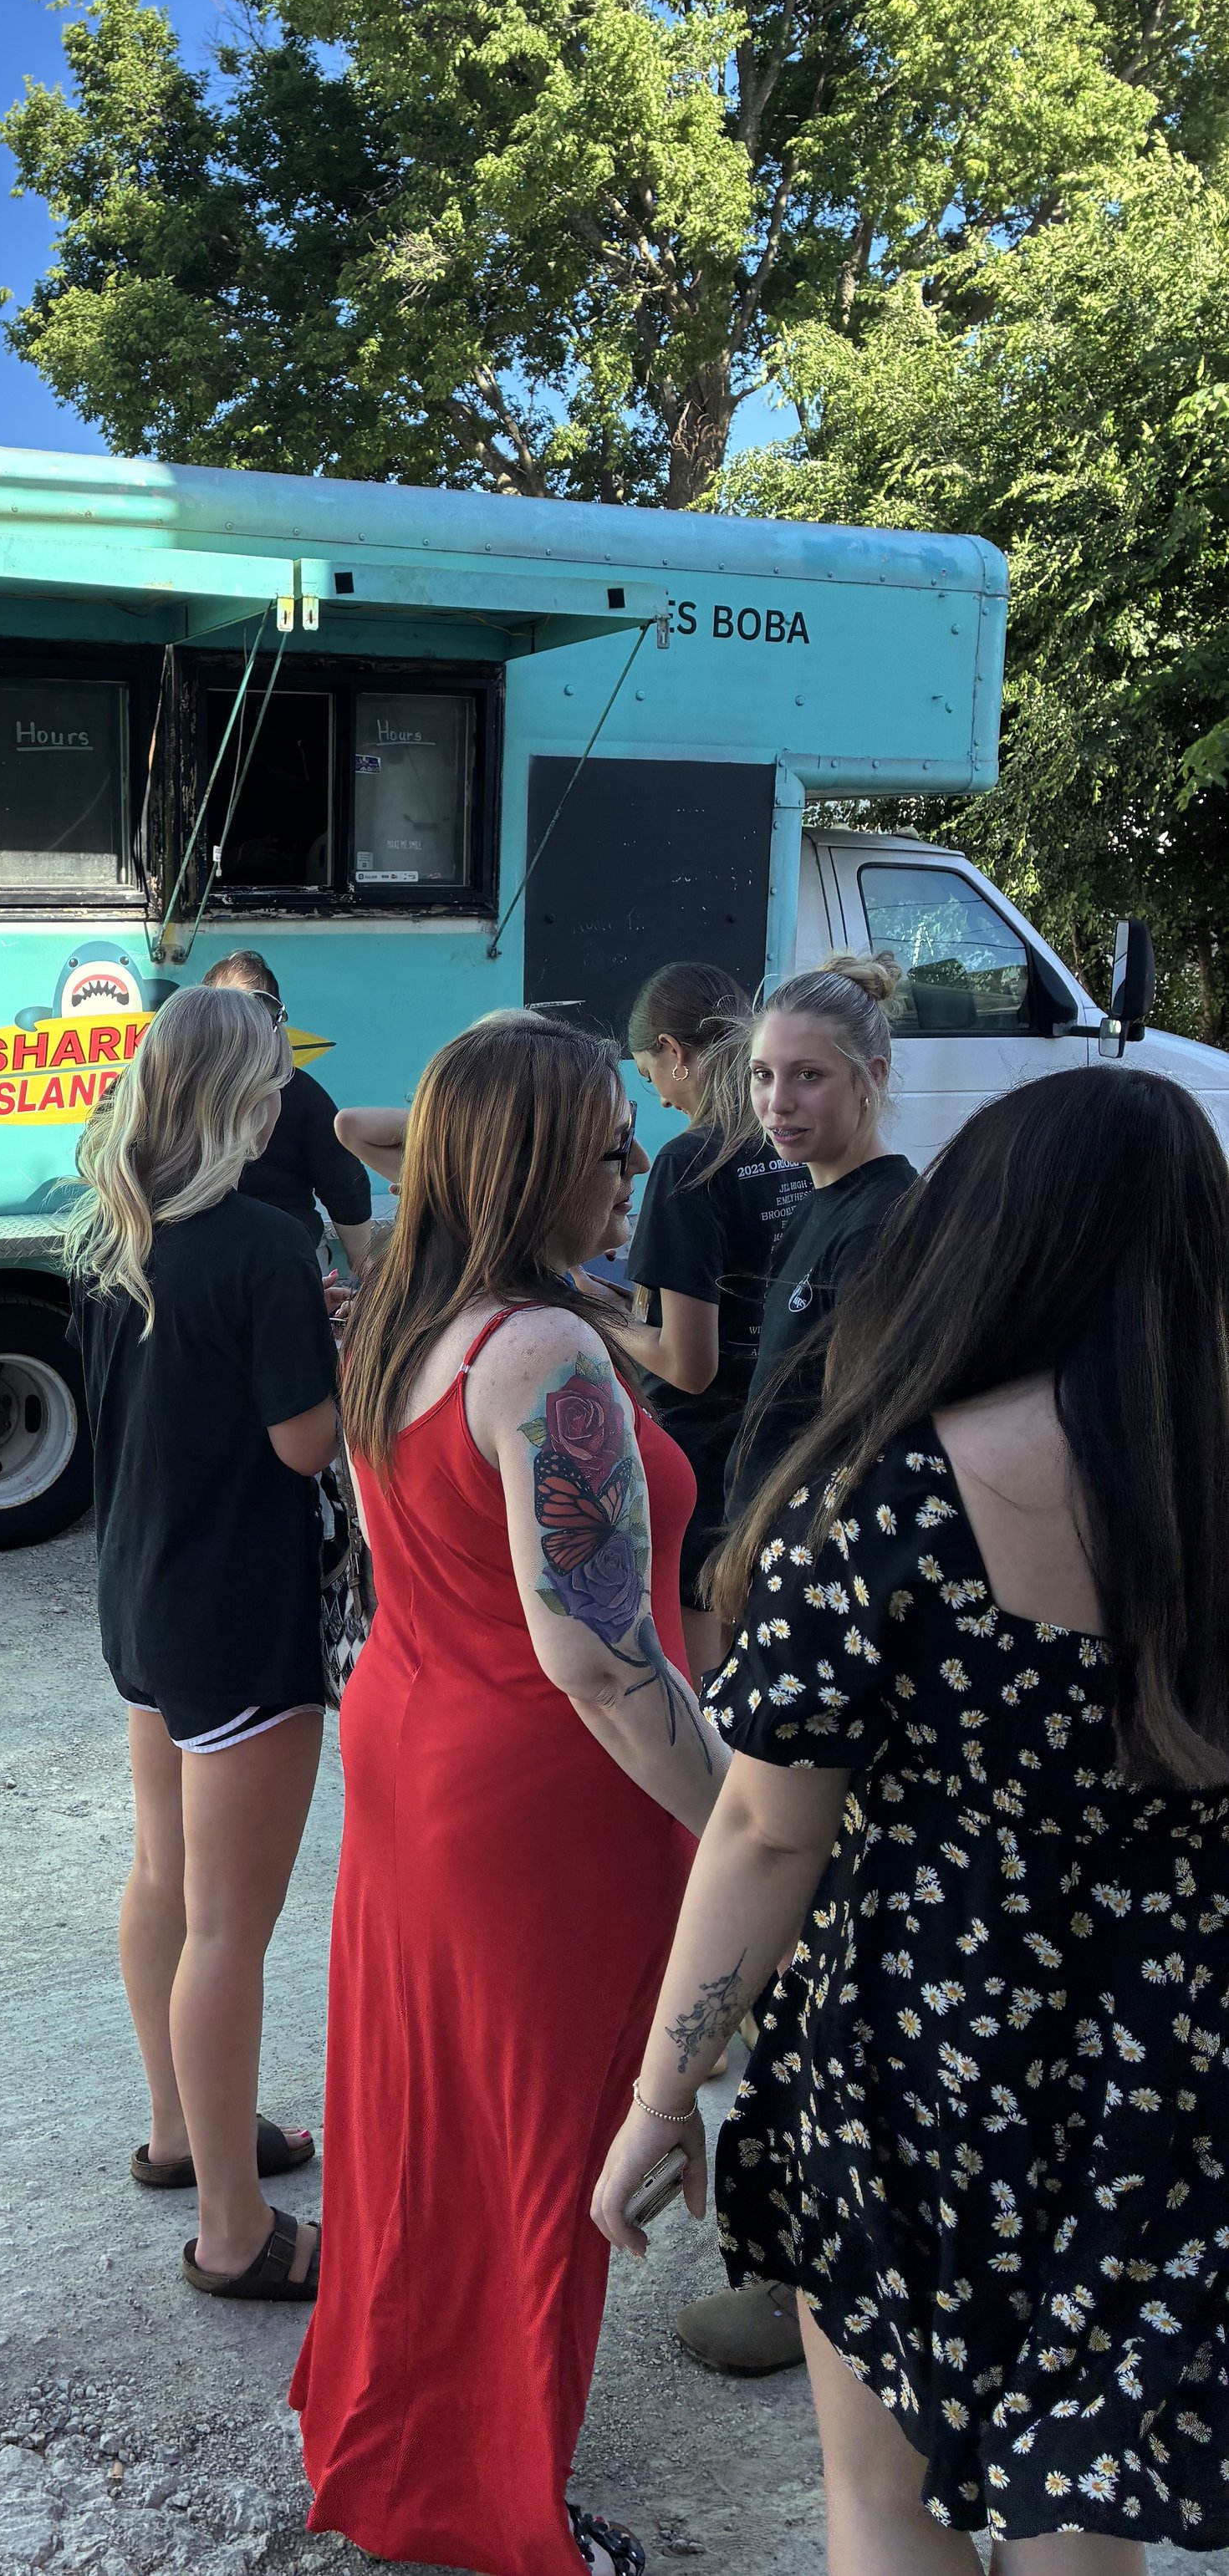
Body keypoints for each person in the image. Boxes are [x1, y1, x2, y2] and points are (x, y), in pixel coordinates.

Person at [592, 1066, 1229, 2571]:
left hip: (924, 2046)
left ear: (987, 1241)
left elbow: (765, 1828)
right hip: (1178, 2051)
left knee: (888, 2496)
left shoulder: (892, 1489)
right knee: (1085, 2492)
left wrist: (662, 2094)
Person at [293, 1011, 728, 2576]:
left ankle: (406, 2443)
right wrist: (745, 1815)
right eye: (612, 1143)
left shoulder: (407, 1316)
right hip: (542, 1797)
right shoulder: (542, 1355)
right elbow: (604, 1664)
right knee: (542, 2155)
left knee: (428, 2132)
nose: (635, 1168)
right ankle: (494, 2507)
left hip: (418, 1747)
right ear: (539, 1158)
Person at [65, 982, 339, 2302]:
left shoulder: (117, 1241)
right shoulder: (268, 1245)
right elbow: (305, 1445)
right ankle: (236, 2229)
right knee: (232, 1926)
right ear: (249, 1099)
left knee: (164, 1881)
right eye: (277, 1075)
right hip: (240, 1614)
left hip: (144, 1604)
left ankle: (184, 2133)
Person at [615, 960, 813, 1680]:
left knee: (709, 1683)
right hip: (789, 1429)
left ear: (675, 1052)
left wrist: (600, 1316)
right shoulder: (792, 1144)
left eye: (649, 1075)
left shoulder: (689, 1161)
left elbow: (686, 1363)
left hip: (703, 1451)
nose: (659, 1098)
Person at [722, 951, 915, 1520]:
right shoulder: (822, 1200)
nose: (777, 1102)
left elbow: (867, 1433)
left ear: (871, 1076)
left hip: (807, 1557)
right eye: (763, 1074)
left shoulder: (883, 1222)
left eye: (808, 1075)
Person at [201, 948, 376, 1281]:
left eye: (256, 1012)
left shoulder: (299, 1091)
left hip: (283, 1257)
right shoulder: (156, 1084)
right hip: (190, 1253)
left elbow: (344, 1184)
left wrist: (365, 1270)